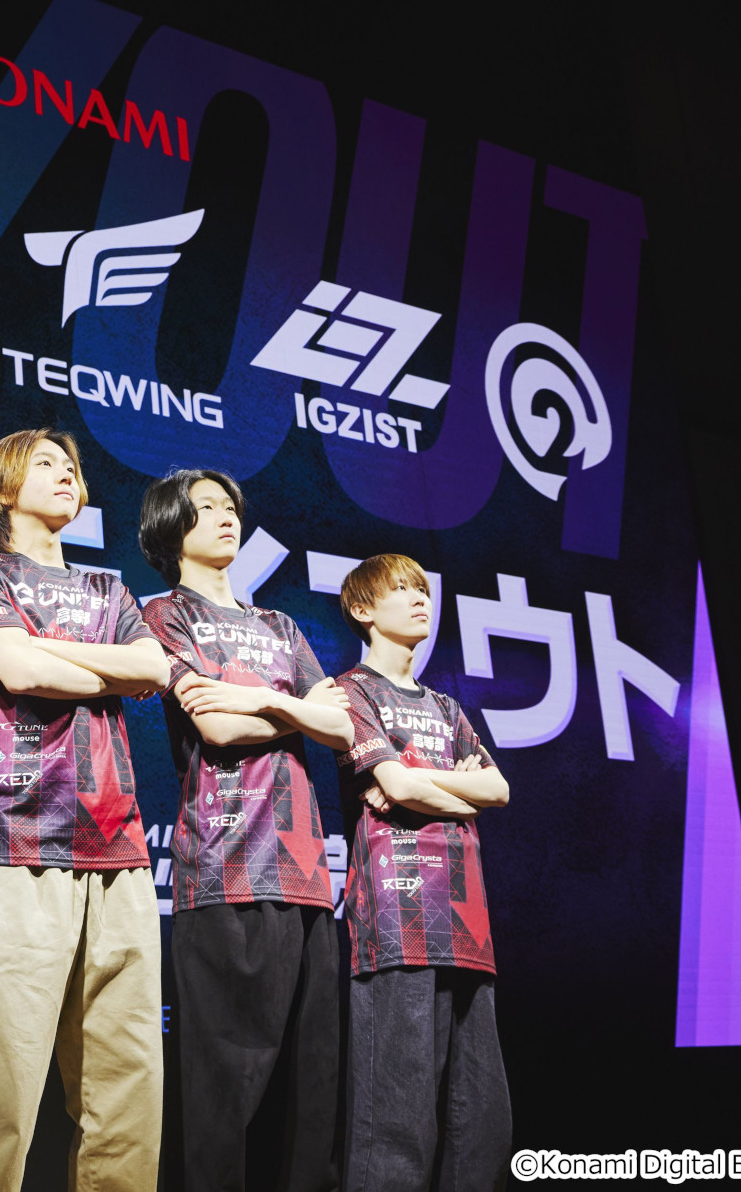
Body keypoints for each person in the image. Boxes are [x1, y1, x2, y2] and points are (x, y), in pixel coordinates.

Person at [0, 427, 172, 1192]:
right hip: (20, 836)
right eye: (46, 462)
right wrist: (97, 669)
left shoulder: (110, 589)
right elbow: (21, 669)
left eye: (71, 464)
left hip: (121, 847)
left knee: (127, 1088)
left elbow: (154, 665)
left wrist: (44, 653)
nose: (66, 473)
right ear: (4, 485)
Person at [136, 469, 354, 1192]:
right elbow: (219, 728)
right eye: (206, 508)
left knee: (310, 1094)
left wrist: (263, 701)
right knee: (224, 1095)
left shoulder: (281, 626)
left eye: (230, 506)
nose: (227, 517)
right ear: (172, 527)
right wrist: (293, 706)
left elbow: (342, 727)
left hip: (308, 878)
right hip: (225, 871)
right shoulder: (165, 614)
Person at [334, 554, 512, 1192]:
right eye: (401, 590)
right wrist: (454, 792)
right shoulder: (351, 692)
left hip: (467, 925)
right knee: (396, 1128)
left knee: (482, 1125)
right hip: (397, 922)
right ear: (363, 609)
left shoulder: (446, 706)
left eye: (423, 590)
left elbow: (498, 789)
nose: (419, 599)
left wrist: (419, 783)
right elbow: (400, 784)